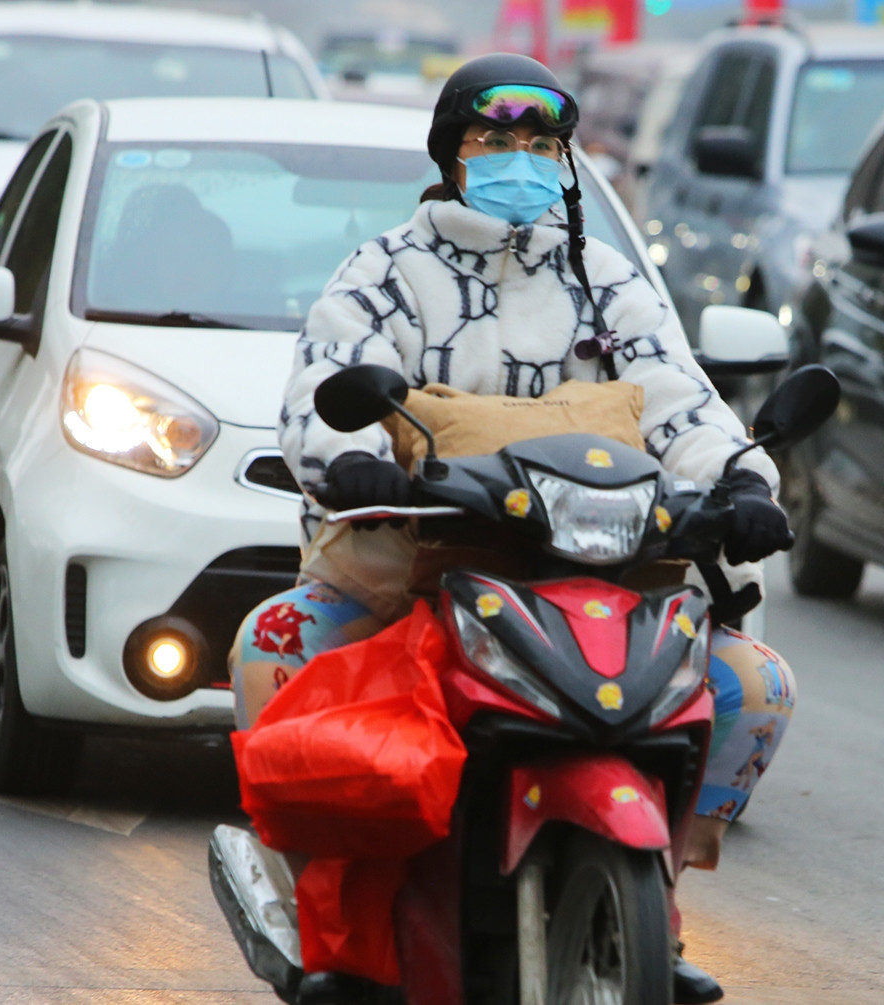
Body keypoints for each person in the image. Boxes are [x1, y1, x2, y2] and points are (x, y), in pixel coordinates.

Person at [230, 54, 797, 1005]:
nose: (519, 160)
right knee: (272, 645)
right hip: (412, 563)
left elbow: (678, 400)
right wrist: (355, 454)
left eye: (540, 145)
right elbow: (326, 384)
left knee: (754, 684)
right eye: (496, 142)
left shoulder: (606, 277)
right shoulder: (384, 271)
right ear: (453, 155)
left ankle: (656, 895)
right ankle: (319, 919)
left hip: (607, 577)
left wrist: (742, 477)